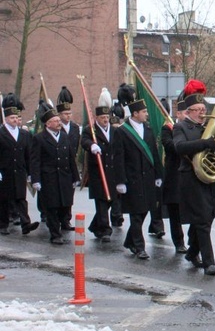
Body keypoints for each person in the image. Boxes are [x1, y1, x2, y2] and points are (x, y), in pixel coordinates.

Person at [173, 80, 215, 276]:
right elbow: (179, 147)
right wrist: (205, 143)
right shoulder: (181, 127)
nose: (201, 112)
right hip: (192, 179)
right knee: (203, 219)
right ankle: (209, 263)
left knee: (207, 217)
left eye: (203, 108)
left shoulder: (210, 124)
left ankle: (192, 252)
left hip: (211, 178)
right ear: (188, 112)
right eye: (197, 109)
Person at [112, 84, 164, 260]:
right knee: (136, 213)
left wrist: (158, 174)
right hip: (132, 179)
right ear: (135, 114)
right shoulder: (122, 132)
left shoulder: (148, 130)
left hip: (147, 179)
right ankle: (139, 247)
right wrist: (120, 181)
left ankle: (130, 241)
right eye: (143, 111)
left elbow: (154, 153)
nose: (146, 114)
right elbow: (118, 158)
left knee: (144, 212)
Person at [30, 102, 79, 245]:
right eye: (56, 121)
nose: (59, 123)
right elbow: (35, 161)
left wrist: (76, 176)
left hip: (64, 177)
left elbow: (71, 158)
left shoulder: (64, 136)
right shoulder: (39, 138)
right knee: (51, 207)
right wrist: (35, 180)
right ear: (48, 124)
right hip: (49, 178)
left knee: (65, 205)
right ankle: (55, 234)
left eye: (59, 120)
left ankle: (63, 224)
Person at [80, 88, 117, 242]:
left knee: (111, 199)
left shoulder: (114, 131)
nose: (105, 120)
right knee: (102, 201)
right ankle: (105, 229)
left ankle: (96, 225)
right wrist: (91, 146)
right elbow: (84, 141)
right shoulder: (91, 131)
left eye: (107, 117)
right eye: (102, 117)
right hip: (98, 171)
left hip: (111, 171)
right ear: (96, 118)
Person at [0, 94, 39, 236]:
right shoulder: (1, 133)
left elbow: (29, 155)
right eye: (12, 118)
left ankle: (25, 223)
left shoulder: (24, 134)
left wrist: (30, 173)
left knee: (21, 198)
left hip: (20, 171)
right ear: (6, 119)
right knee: (4, 199)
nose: (15, 120)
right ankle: (3, 224)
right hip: (5, 172)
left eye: (16, 118)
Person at [160, 95, 187, 253]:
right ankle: (179, 242)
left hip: (189, 177)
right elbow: (170, 146)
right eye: (185, 113)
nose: (187, 116)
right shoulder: (167, 128)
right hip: (174, 176)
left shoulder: (193, 128)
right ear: (178, 114)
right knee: (175, 212)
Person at [56, 86, 80, 232]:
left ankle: (66, 220)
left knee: (69, 194)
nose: (68, 116)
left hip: (70, 165)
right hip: (58, 165)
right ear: (59, 114)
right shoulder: (56, 128)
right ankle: (56, 218)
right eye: (65, 113)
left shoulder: (75, 128)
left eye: (69, 113)